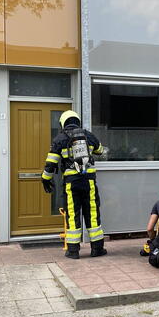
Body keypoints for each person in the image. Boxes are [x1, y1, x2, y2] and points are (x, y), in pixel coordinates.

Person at [42, 110, 107, 259]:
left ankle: (73, 250)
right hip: (89, 181)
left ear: (63, 123)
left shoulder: (60, 139)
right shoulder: (89, 136)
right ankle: (97, 248)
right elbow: (100, 150)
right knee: (92, 212)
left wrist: (45, 178)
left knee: (72, 214)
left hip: (71, 184)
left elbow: (51, 164)